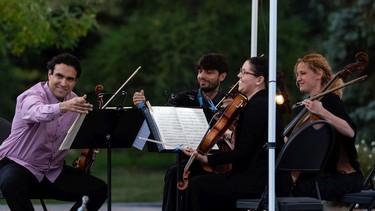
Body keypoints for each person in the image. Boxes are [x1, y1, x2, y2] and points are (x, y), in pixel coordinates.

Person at [0, 53, 107, 210]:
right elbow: (36, 112)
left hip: (52, 171)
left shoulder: (74, 101)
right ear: (49, 74)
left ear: (75, 81)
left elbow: (82, 134)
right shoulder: (31, 96)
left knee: (99, 189)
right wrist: (64, 107)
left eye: (70, 79)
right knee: (11, 183)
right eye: (59, 76)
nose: (63, 83)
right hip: (18, 164)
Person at [181, 56, 286, 211]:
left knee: (197, 186)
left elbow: (242, 153)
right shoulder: (262, 103)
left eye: (244, 73)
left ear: (259, 80)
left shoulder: (256, 107)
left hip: (256, 181)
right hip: (260, 177)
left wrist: (208, 159)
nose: (239, 76)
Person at [133, 53, 231, 211]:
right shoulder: (184, 98)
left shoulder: (231, 102)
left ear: (222, 76)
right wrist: (143, 108)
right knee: (173, 173)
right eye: (200, 71)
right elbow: (160, 120)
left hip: (221, 163)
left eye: (209, 72)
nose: (202, 76)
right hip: (190, 163)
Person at [290, 53, 364, 200]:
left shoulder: (330, 101)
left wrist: (322, 112)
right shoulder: (303, 108)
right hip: (319, 175)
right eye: (297, 74)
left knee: (300, 189)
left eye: (303, 73)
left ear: (318, 74)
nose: (298, 79)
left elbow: (350, 131)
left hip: (345, 177)